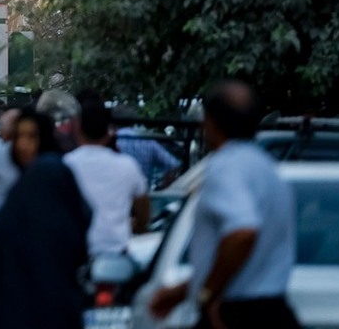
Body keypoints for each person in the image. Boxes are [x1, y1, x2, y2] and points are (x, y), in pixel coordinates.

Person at [149, 81, 300, 329]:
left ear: (210, 122)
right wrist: (183, 291)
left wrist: (207, 293)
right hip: (272, 308)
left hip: (237, 313)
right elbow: (248, 261)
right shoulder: (268, 170)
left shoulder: (225, 167)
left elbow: (242, 233)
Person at [0, 108, 90, 328]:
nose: (23, 145)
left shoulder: (45, 173)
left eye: (32, 137)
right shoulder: (43, 174)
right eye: (19, 137)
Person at [64, 101, 149, 256]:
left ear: (78, 130)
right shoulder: (127, 165)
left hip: (74, 251)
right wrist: (137, 225)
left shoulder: (66, 164)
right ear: (109, 133)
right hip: (115, 251)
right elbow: (143, 211)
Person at [114, 124, 181, 188]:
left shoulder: (110, 140)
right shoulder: (147, 140)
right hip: (143, 195)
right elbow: (173, 165)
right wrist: (163, 187)